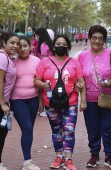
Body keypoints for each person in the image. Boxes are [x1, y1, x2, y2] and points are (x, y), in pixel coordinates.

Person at [34, 35, 87, 170]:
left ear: (68, 47)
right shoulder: (44, 62)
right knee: (56, 130)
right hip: (51, 103)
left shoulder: (74, 62)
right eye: (58, 44)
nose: (60, 46)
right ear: (53, 47)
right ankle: (59, 157)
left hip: (71, 103)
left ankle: (68, 159)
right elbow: (36, 80)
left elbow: (81, 82)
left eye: (64, 44)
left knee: (69, 130)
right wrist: (43, 85)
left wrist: (83, 101)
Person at [77, 25, 111, 169]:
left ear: (104, 40)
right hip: (89, 99)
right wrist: (81, 97)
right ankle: (94, 155)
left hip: (108, 98)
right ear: (89, 39)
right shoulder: (83, 55)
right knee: (93, 129)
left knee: (108, 129)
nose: (97, 41)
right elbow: (80, 77)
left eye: (100, 39)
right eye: (94, 38)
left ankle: (109, 156)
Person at [10, 36, 41, 170]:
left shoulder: (37, 61)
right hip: (17, 100)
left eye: (25, 46)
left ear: (31, 47)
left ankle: (27, 161)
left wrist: (40, 101)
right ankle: (27, 162)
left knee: (29, 130)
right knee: (27, 128)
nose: (22, 49)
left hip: (33, 100)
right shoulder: (11, 62)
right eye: (19, 46)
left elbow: (39, 80)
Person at [0, 32, 19, 170]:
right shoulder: (1, 57)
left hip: (1, 101)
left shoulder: (8, 57)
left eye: (17, 43)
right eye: (12, 43)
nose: (15, 46)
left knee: (0, 132)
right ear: (4, 42)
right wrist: (3, 104)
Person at [35, 27, 53, 117]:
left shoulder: (43, 45)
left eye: (37, 35)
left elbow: (43, 59)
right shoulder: (50, 43)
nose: (36, 37)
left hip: (45, 68)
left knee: (42, 89)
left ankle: (43, 108)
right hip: (52, 68)